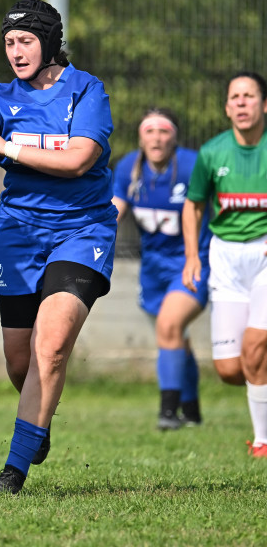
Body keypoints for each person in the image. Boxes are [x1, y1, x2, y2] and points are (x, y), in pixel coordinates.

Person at [0, 0, 116, 495]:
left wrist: (7, 146)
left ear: (50, 43)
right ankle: (39, 419)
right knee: (20, 362)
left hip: (81, 232)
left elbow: (79, 159)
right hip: (18, 235)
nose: (16, 51)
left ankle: (12, 473)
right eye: (9, 43)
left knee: (50, 346)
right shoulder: (1, 96)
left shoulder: (87, 90)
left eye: (26, 41)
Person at [182, 71, 267, 458]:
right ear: (227, 108)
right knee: (231, 369)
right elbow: (193, 205)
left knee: (255, 347)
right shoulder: (213, 151)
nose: (242, 103)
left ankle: (261, 442)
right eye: (235, 97)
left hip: (263, 255)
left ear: (264, 104)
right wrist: (191, 256)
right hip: (226, 259)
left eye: (249, 96)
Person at [112, 108, 211, 430]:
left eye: (164, 131)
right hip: (153, 267)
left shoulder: (193, 165)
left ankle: (167, 413)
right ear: (140, 137)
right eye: (149, 131)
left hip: (193, 261)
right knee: (174, 336)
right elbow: (114, 212)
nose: (156, 138)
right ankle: (191, 411)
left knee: (169, 326)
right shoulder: (129, 167)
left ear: (175, 137)